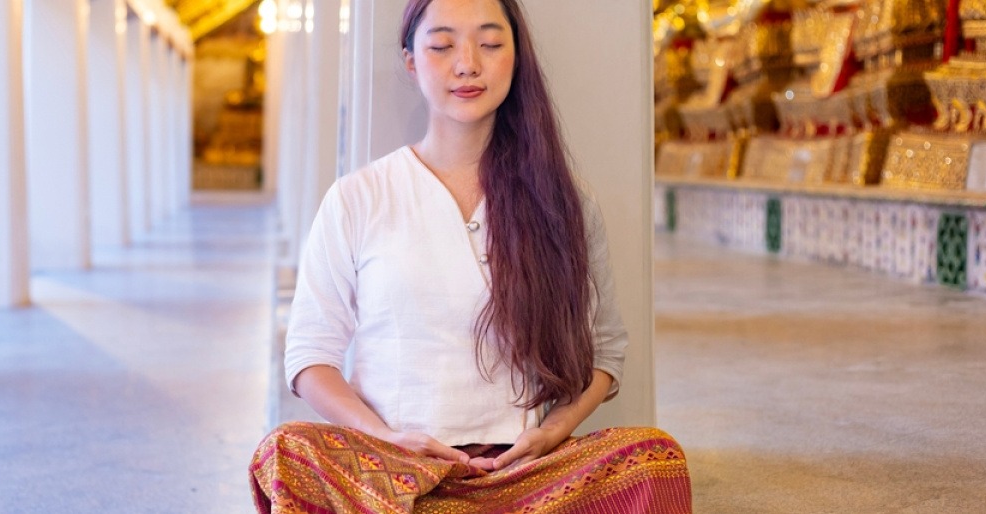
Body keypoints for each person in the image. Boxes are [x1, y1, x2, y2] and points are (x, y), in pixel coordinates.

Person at [249, 0, 692, 511]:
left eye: (490, 44)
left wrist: (553, 432)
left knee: (655, 457)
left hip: (522, 476)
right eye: (441, 46)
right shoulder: (359, 197)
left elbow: (606, 349)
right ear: (412, 60)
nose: (467, 64)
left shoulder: (561, 202)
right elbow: (309, 357)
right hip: (392, 469)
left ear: (516, 56)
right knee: (284, 453)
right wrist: (387, 438)